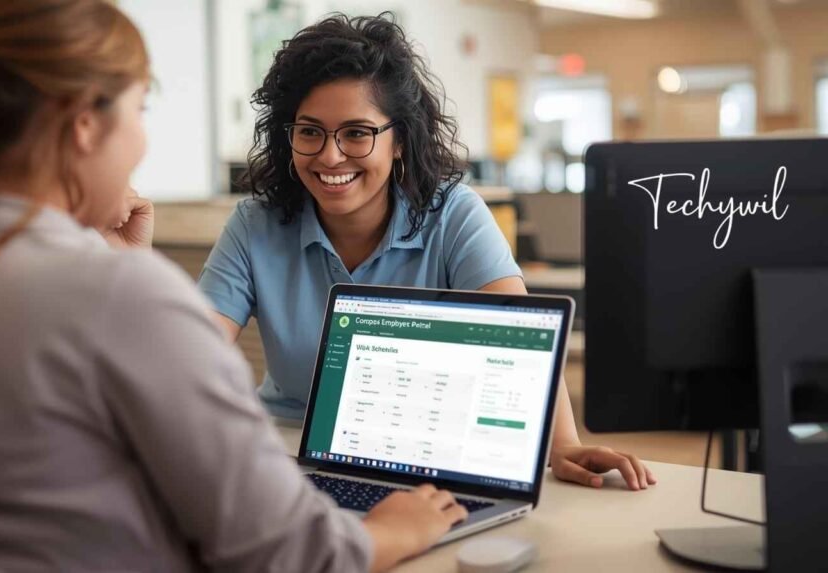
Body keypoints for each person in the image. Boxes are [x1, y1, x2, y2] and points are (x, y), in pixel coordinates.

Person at [0, 2, 467, 571]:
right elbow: (294, 553)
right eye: (139, 109)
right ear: (83, 124)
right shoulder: (115, 297)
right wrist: (400, 525)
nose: (143, 138)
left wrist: (124, 272)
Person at [198, 13, 657, 491]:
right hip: (286, 457)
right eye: (310, 131)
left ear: (399, 140)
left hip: (423, 462)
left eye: (357, 133)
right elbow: (194, 353)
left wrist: (562, 443)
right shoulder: (256, 223)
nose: (330, 156)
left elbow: (519, 333)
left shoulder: (454, 215)